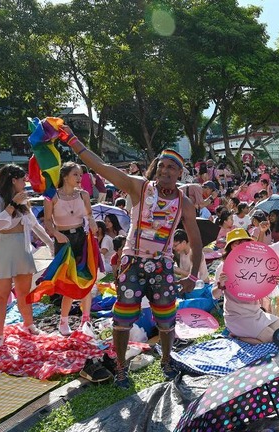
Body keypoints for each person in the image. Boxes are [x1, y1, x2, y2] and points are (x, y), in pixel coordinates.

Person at [61, 126, 204, 389]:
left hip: (161, 265)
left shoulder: (184, 202)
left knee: (166, 317)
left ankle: (167, 361)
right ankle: (120, 368)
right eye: (161, 166)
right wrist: (72, 140)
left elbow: (196, 241)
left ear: (180, 173)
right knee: (123, 318)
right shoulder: (139, 187)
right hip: (132, 263)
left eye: (171, 168)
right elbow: (102, 166)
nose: (165, 171)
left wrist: (193, 275)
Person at [0, 164, 52, 346]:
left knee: (24, 292)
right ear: (13, 180)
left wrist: (51, 244)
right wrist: (13, 204)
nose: (26, 182)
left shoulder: (24, 201)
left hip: (22, 250)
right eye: (23, 179)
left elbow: (35, 226)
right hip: (2, 251)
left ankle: (29, 324)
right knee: (1, 295)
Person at [43, 162, 98, 336]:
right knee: (67, 281)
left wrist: (93, 223)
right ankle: (64, 320)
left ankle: (86, 319)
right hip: (63, 239)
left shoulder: (83, 194)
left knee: (85, 278)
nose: (79, 178)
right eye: (75, 174)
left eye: (80, 175)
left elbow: (89, 215)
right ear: (65, 176)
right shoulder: (51, 195)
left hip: (81, 237)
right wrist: (55, 234)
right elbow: (47, 221)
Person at [212, 228, 279, 344]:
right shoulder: (223, 267)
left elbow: (266, 292)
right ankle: (237, 337)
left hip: (256, 313)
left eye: (244, 242)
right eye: (237, 243)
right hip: (237, 317)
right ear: (230, 246)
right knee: (272, 339)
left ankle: (241, 336)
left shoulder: (257, 263)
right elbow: (215, 295)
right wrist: (221, 285)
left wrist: (274, 281)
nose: (242, 245)